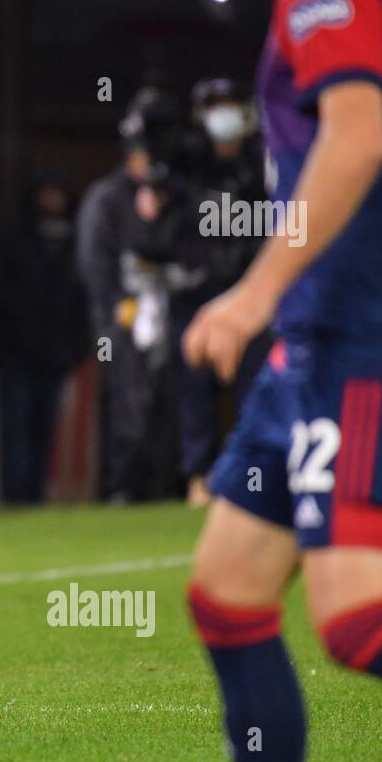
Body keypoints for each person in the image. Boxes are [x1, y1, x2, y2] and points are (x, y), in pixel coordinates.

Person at [184, 0, 382, 762]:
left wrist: (254, 293)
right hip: (328, 339)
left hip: (357, 335)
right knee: (227, 596)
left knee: (359, 620)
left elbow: (358, 138)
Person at [137, 77, 271, 506]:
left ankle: (253, 475)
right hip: (195, 291)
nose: (224, 113)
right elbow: (152, 225)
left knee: (255, 384)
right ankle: (200, 476)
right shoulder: (183, 164)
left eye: (230, 104)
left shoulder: (260, 163)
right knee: (195, 388)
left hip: (248, 291)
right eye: (215, 106)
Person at [77, 90, 177, 502]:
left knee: (169, 402)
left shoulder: (177, 197)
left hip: (171, 312)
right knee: (127, 401)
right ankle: (122, 486)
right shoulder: (108, 199)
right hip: (123, 316)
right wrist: (115, 312)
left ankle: (167, 484)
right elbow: (94, 264)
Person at [0, 172, 88, 503]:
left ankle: (35, 492)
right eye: (47, 193)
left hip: (55, 352)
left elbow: (83, 298)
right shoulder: (11, 237)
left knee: (45, 425)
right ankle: (13, 493)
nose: (53, 202)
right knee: (15, 423)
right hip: (15, 349)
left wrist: (76, 346)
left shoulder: (75, 241)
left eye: (58, 194)